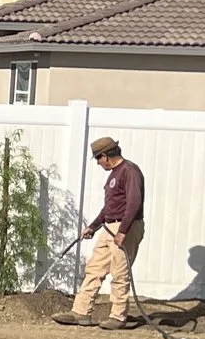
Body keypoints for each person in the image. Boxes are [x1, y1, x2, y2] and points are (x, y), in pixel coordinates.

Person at [58, 136, 145, 328]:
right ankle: (81, 312)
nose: (98, 163)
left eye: (98, 159)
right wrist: (93, 226)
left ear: (105, 156)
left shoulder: (129, 171)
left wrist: (123, 231)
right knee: (94, 268)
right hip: (109, 227)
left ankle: (118, 316)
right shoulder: (115, 174)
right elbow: (109, 207)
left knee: (120, 272)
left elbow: (133, 203)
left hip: (125, 227)